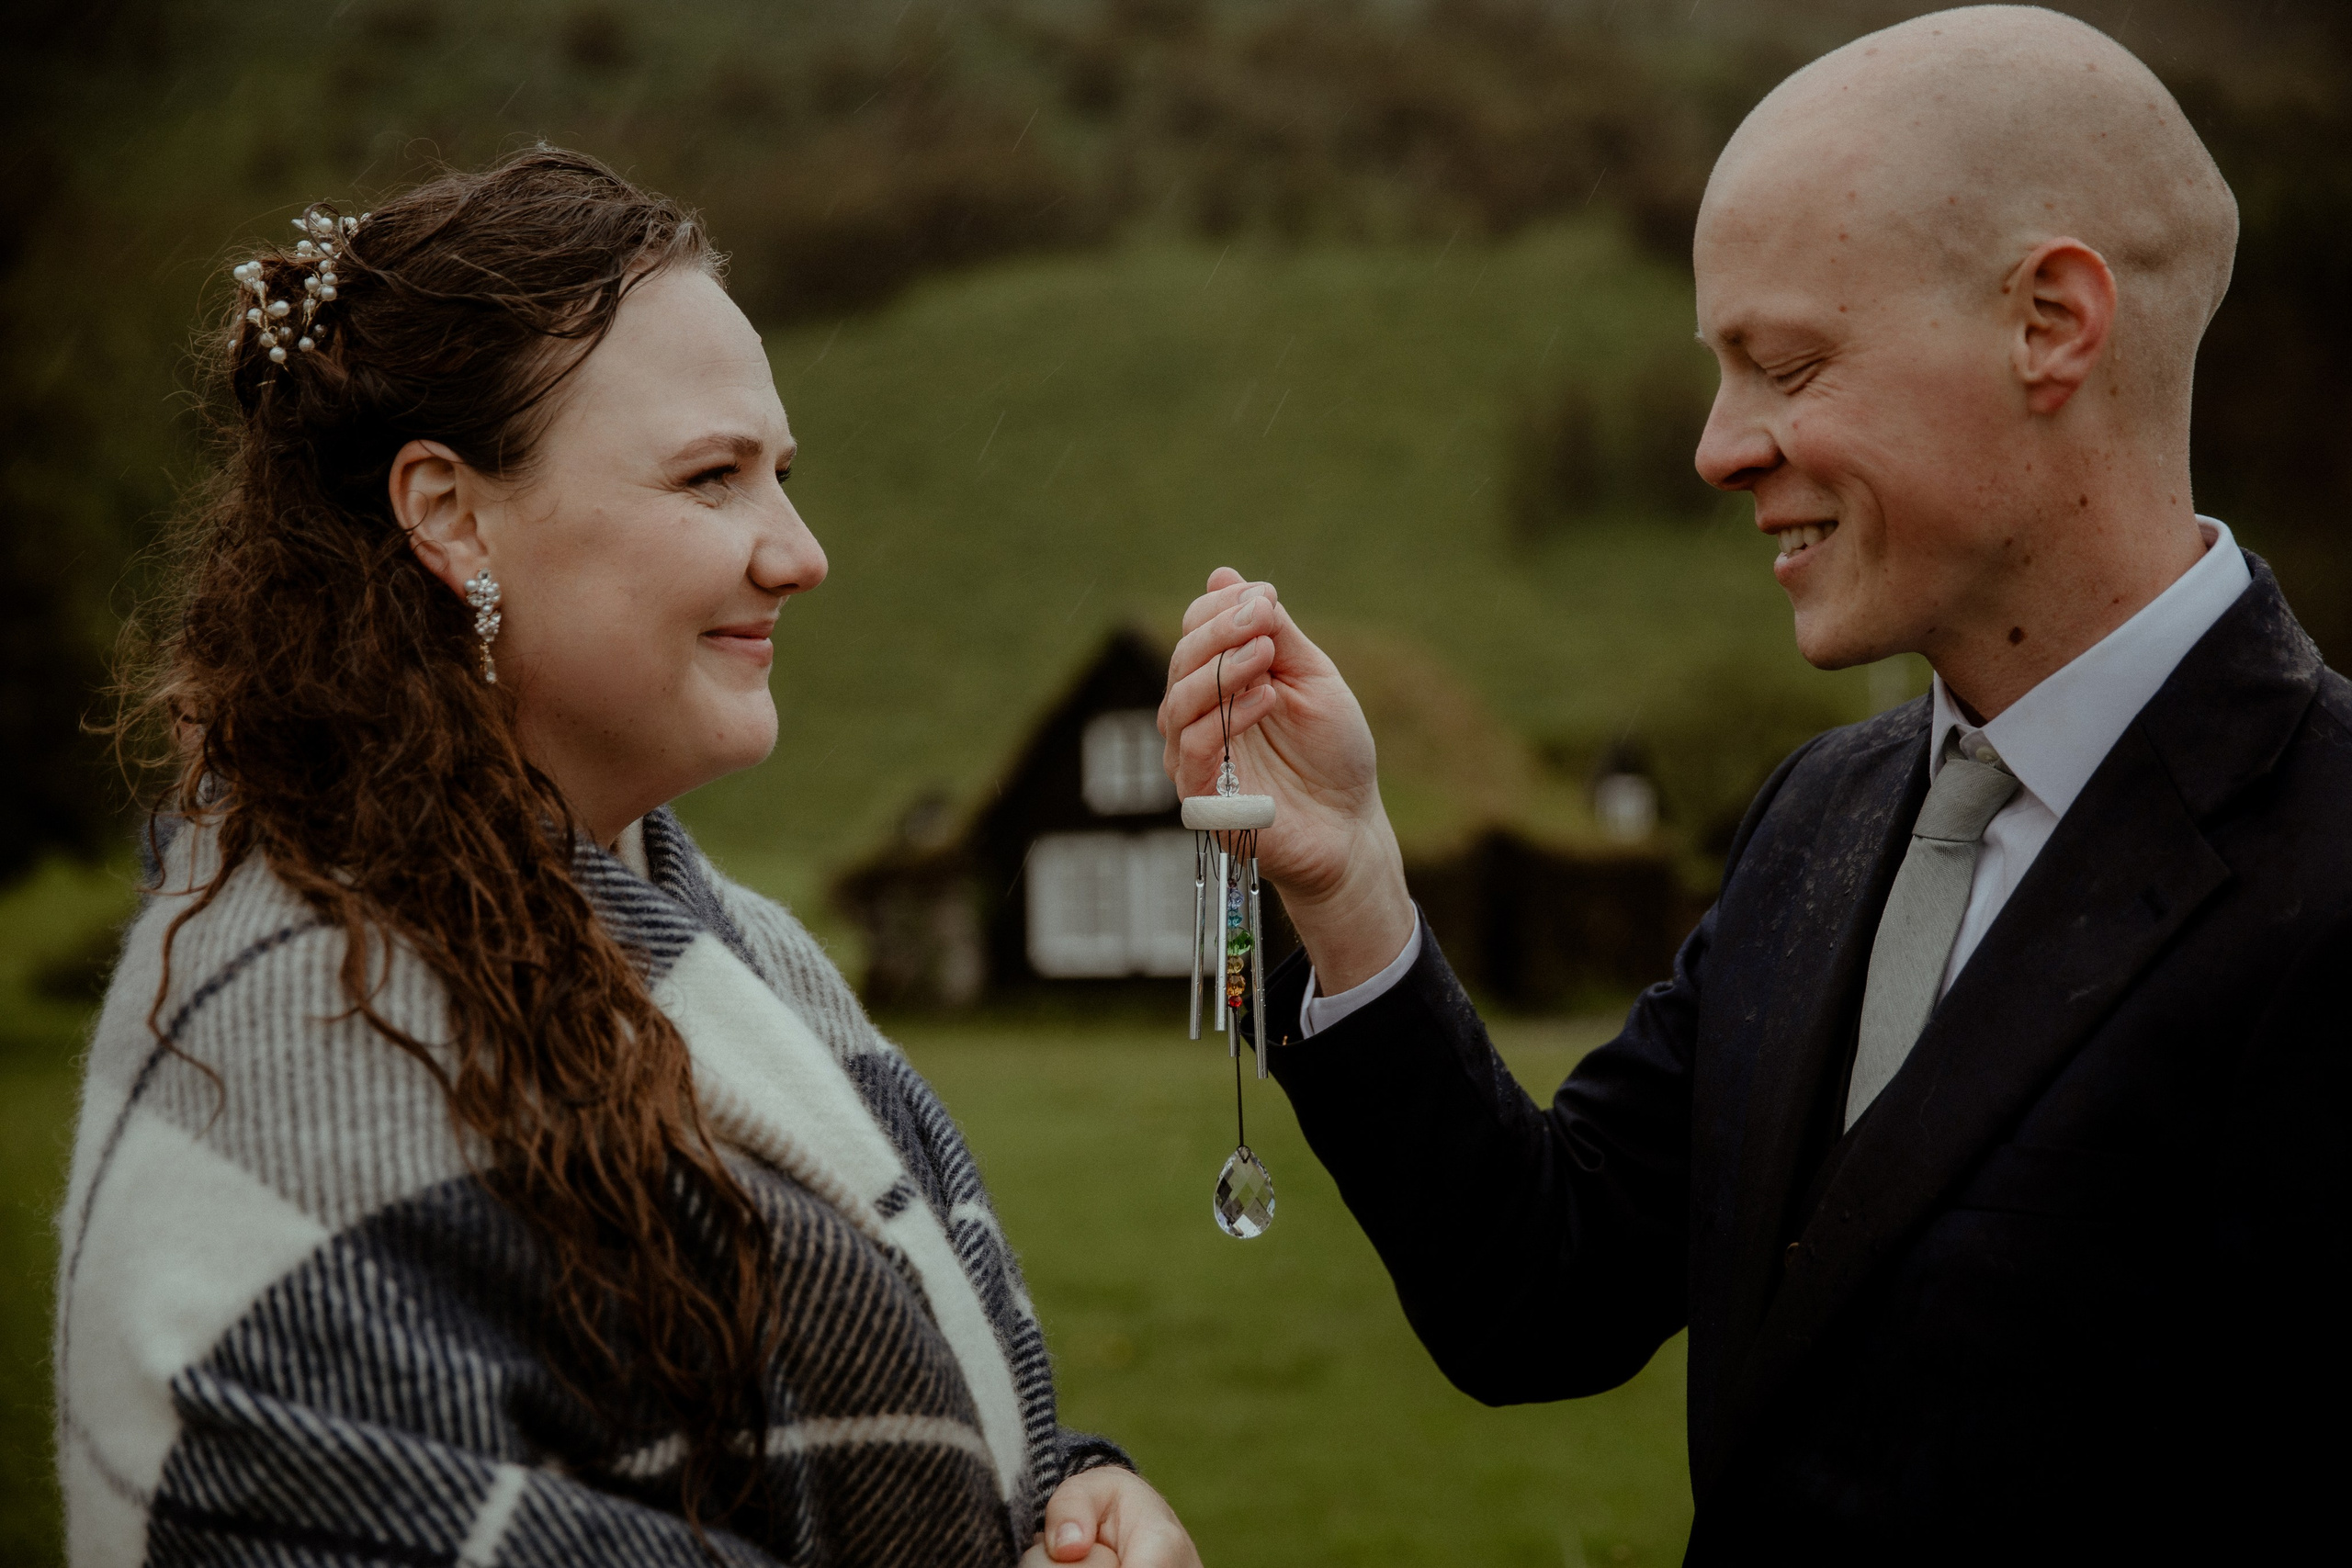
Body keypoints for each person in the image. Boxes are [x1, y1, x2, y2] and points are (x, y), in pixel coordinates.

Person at [1159, 6, 2344, 1558]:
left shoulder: (2324, 869)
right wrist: (1352, 885)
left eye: (1784, 363)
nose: (1720, 449)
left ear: (2052, 322)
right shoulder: (1820, 819)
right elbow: (1543, 1292)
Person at [60, 148, 1197, 1568]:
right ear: (449, 514)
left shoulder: (740, 949)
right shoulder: (293, 1036)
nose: (801, 552)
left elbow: (892, 1425)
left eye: (780, 475)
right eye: (713, 478)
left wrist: (1079, 1496)